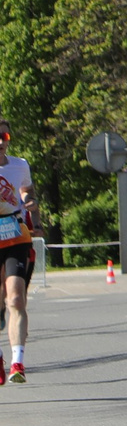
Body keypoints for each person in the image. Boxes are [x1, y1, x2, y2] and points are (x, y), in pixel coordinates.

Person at [0, 119, 36, 382]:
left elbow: (27, 191)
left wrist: (28, 201)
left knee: (15, 299)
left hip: (15, 234)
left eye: (4, 136)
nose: (0, 141)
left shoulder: (19, 165)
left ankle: (17, 363)